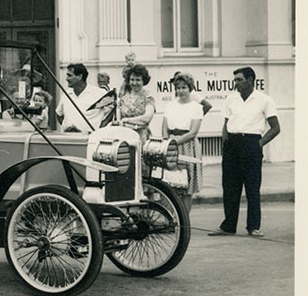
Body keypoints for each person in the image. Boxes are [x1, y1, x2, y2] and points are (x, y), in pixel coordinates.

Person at [210, 67, 281, 238]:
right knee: (230, 187)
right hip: (232, 145)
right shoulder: (231, 99)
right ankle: (228, 226)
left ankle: (253, 226)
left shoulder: (264, 100)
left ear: (250, 80)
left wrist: (259, 144)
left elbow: (276, 127)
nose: (236, 84)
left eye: (239, 80)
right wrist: (225, 143)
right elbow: (226, 124)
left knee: (252, 188)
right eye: (235, 80)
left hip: (251, 144)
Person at [164, 71, 204, 214]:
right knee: (171, 184)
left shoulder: (196, 107)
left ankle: (184, 219)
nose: (181, 91)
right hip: (171, 147)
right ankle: (171, 218)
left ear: (190, 88)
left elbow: (193, 132)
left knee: (187, 187)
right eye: (178, 87)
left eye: (184, 87)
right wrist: (167, 144)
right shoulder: (170, 105)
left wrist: (175, 142)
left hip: (188, 146)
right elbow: (165, 127)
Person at [56, 63, 110, 132]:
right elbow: (59, 114)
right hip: (68, 138)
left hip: (90, 139)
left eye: (69, 75)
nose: (66, 79)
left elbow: (113, 108)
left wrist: (101, 126)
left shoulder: (99, 93)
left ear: (80, 76)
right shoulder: (66, 93)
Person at [116, 63, 155, 142]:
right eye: (132, 79)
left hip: (142, 138)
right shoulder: (122, 99)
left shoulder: (148, 98)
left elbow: (147, 118)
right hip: (124, 138)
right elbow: (118, 120)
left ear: (143, 81)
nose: (134, 83)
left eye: (138, 80)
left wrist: (127, 120)